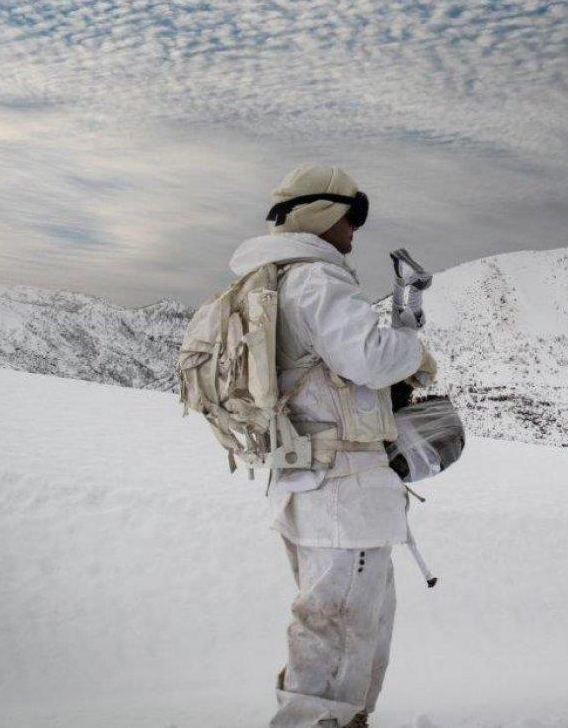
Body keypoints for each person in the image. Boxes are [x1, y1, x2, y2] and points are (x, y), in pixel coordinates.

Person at [227, 164, 436, 728]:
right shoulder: (316, 281)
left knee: (337, 625)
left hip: (308, 484)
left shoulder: (269, 281)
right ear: (322, 215)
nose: (353, 232)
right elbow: (369, 358)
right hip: (343, 495)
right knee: (340, 630)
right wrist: (411, 349)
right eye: (350, 218)